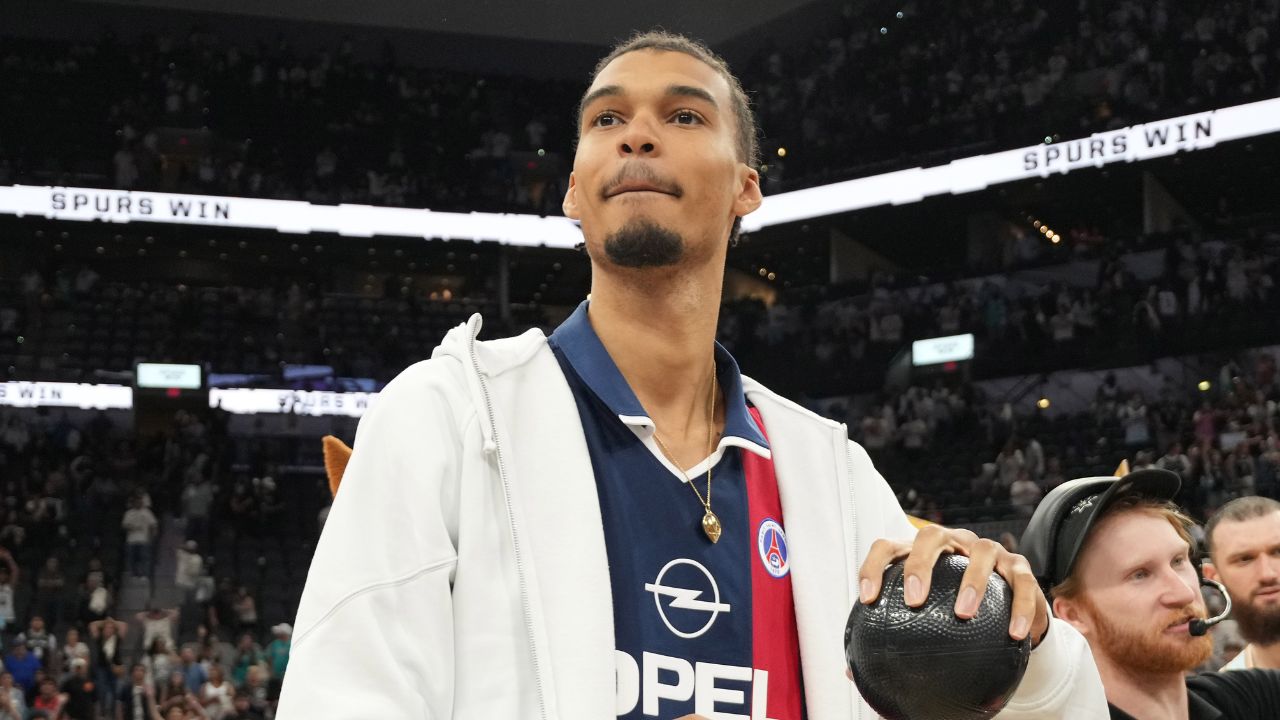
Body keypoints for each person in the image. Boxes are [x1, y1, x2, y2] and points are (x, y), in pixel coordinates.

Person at [279, 29, 1104, 718]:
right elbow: (344, 698)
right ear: (573, 191)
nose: (636, 134)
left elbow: (1053, 701)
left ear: (747, 188)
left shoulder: (828, 471)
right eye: (607, 119)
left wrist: (1016, 627)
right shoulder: (447, 416)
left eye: (682, 114)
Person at [1022, 469, 1280, 718]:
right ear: (1073, 613)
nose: (1183, 593)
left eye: (1179, 561)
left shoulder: (1257, 696)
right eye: (1140, 574)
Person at [1204, 496, 1280, 669]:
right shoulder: (1225, 695)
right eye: (1245, 559)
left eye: (1278, 551)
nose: (1267, 574)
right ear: (1213, 576)